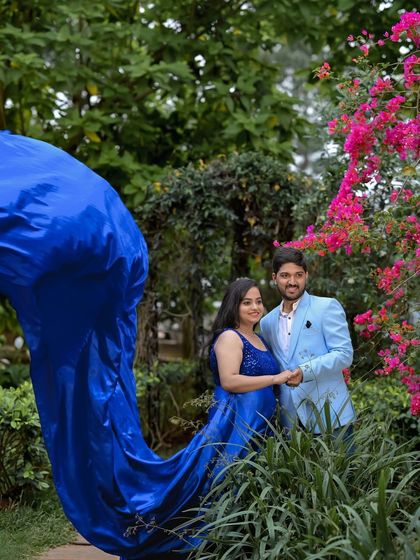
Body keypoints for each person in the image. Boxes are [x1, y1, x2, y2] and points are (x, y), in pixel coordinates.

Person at [260, 247, 355, 434]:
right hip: (290, 422)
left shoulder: (327, 307)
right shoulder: (266, 323)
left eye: (299, 275)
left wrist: (304, 372)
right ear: (274, 277)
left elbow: (344, 355)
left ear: (306, 276)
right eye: (285, 275)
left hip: (332, 416)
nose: (292, 282)